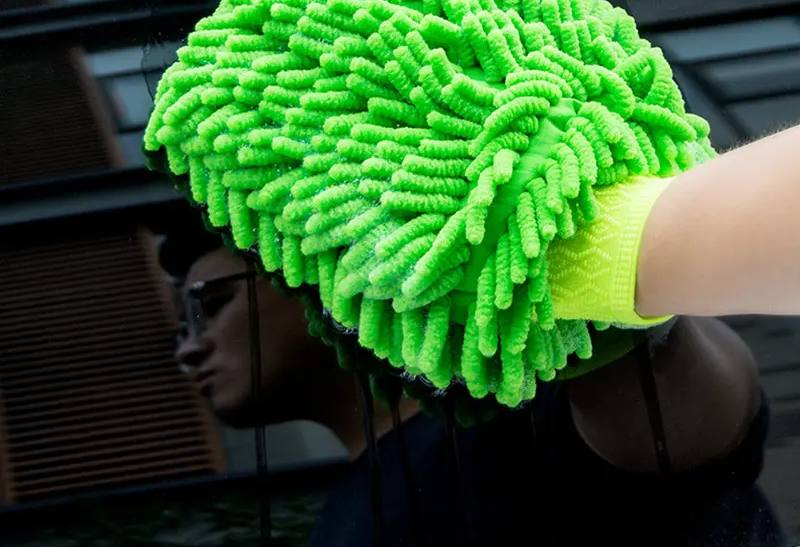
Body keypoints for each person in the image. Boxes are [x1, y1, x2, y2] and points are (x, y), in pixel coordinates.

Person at [162, 212, 788, 546]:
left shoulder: (530, 407)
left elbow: (704, 431)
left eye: (208, 305)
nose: (189, 348)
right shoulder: (346, 511)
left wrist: (593, 282)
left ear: (311, 272)